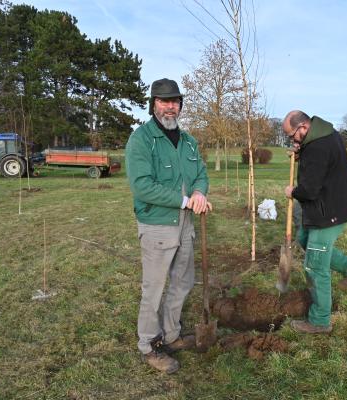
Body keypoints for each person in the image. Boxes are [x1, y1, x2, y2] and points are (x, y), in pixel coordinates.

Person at [125, 78, 211, 373]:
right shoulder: (141, 140)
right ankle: (149, 344)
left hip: (185, 225)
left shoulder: (188, 141)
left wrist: (200, 192)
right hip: (157, 225)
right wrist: (186, 200)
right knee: (154, 287)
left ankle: (172, 334)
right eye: (164, 101)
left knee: (183, 282)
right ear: (153, 105)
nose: (170, 107)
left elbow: (200, 172)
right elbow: (142, 187)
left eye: (175, 101)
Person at [283, 110, 347, 334]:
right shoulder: (326, 134)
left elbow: (309, 191)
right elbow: (322, 163)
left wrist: (293, 191)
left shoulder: (317, 148)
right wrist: (302, 152)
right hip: (335, 205)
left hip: (328, 212)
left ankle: (320, 320)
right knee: (304, 239)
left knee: (315, 265)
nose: (292, 141)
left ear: (303, 128)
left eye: (292, 136)